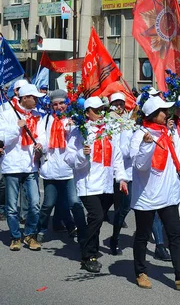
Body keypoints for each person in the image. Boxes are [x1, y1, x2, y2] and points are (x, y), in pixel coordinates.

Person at [127, 96, 180, 290]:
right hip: (147, 196)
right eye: (163, 111)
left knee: (175, 235)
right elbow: (140, 166)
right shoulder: (139, 135)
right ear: (152, 114)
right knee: (142, 235)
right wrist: (146, 145)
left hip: (168, 194)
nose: (167, 114)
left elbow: (177, 159)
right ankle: (140, 272)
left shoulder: (167, 133)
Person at [65, 96, 125, 273]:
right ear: (87, 113)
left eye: (102, 110)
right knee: (97, 217)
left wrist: (121, 178)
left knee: (96, 220)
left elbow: (117, 156)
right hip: (88, 184)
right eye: (96, 110)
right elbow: (69, 158)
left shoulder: (109, 130)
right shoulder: (79, 132)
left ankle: (92, 248)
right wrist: (82, 155)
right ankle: (88, 255)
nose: (100, 113)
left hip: (106, 184)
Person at [36, 89, 87, 245]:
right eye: (55, 104)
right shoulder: (45, 120)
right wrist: (40, 146)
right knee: (48, 203)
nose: (59, 107)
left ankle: (82, 231)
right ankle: (41, 229)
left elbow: (81, 141)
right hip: (51, 168)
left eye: (61, 104)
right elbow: (42, 139)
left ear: (67, 103)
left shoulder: (75, 120)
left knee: (74, 202)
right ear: (51, 106)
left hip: (70, 169)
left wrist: (73, 127)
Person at [0, 84, 46, 251]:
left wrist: (42, 145)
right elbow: (1, 137)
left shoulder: (38, 116)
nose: (36, 101)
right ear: (24, 97)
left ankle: (29, 235)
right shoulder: (6, 113)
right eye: (33, 98)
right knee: (12, 207)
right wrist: (16, 127)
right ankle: (15, 237)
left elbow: (43, 136)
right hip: (12, 166)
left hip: (30, 166)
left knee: (34, 204)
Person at [109, 92, 132, 255]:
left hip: (130, 171)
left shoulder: (129, 120)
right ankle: (115, 237)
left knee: (126, 205)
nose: (119, 107)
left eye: (121, 104)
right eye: (116, 103)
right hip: (114, 170)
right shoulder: (108, 121)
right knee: (121, 206)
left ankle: (159, 244)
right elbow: (123, 150)